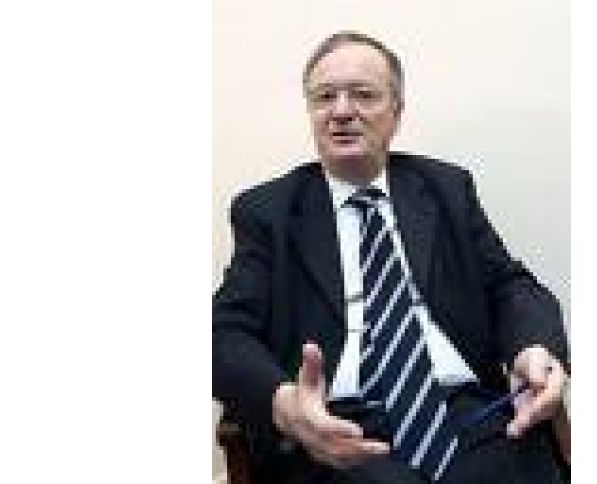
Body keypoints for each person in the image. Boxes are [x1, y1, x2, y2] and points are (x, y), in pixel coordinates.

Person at [213, 31, 570, 483]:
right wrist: (285, 404)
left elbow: (509, 286)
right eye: (325, 97)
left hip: (469, 421)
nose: (342, 111)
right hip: (336, 433)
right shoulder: (268, 212)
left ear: (397, 112)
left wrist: (533, 348)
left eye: (363, 94)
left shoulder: (446, 189)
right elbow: (223, 332)